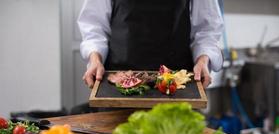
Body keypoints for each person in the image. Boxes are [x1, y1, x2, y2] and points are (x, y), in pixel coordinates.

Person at [78, 0, 224, 89]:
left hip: (177, 85)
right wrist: (95, 59)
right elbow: (93, 26)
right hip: (118, 83)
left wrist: (203, 60)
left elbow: (207, 30)